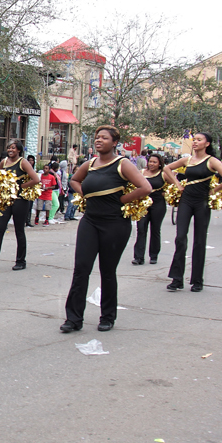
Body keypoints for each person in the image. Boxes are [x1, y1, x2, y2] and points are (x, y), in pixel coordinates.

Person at [60, 126, 151, 333]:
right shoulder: (90, 164)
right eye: (97, 137)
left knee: (107, 271)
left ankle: (107, 316)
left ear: (114, 142)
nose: (98, 140)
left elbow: (145, 187)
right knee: (81, 269)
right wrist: (87, 195)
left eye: (104, 138)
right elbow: (74, 180)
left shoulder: (123, 164)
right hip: (90, 222)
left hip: (115, 224)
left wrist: (121, 200)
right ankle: (73, 319)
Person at [163, 133, 222, 292]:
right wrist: (177, 184)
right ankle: (177, 279)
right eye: (194, 140)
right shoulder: (188, 159)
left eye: (199, 140)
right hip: (186, 200)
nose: (195, 142)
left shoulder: (212, 161)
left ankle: (197, 280)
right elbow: (167, 168)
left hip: (202, 202)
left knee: (199, 240)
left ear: (207, 144)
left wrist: (215, 190)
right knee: (180, 237)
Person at [0, 140, 39, 271]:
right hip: (6, 201)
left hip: (20, 201)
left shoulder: (23, 162)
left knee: (19, 230)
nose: (10, 150)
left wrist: (20, 187)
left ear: (19, 150)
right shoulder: (3, 162)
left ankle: (20, 261)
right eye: (9, 148)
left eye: (13, 148)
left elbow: (36, 179)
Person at [132, 154, 167, 266]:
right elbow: (133, 185)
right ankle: (138, 257)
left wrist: (165, 193)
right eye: (150, 161)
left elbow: (174, 186)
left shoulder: (163, 174)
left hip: (158, 204)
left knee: (155, 230)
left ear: (160, 164)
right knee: (141, 229)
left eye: (154, 162)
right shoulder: (141, 173)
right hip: (143, 204)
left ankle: (154, 255)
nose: (151, 164)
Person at [25, 154, 37, 226]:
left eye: (32, 160)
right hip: (25, 190)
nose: (30, 162)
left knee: (30, 207)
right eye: (29, 160)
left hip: (31, 190)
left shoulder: (33, 170)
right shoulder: (24, 169)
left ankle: (28, 221)